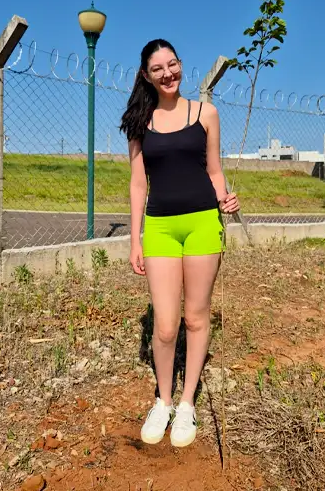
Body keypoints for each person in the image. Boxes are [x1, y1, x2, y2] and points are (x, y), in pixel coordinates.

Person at [120, 39, 240, 448]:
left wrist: (226, 197)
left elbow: (214, 169)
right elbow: (139, 185)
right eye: (158, 69)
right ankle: (164, 400)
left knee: (196, 317)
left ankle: (187, 402)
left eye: (173, 65)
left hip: (204, 223)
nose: (168, 73)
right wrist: (135, 238)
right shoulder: (140, 122)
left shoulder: (206, 113)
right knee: (167, 325)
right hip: (159, 229)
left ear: (181, 65)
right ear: (146, 75)